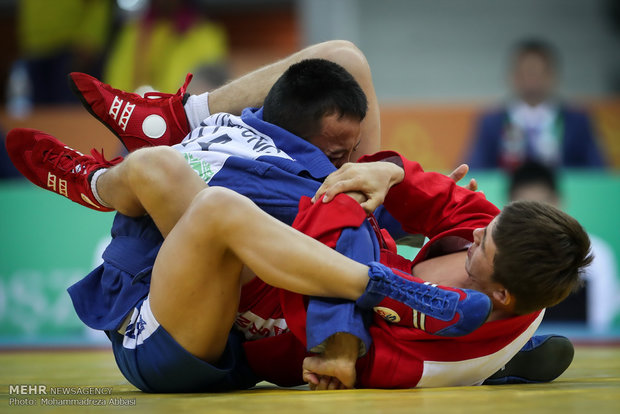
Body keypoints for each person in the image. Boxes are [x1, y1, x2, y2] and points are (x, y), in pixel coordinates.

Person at [7, 41, 590, 390]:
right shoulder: (497, 238)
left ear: (504, 297)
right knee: (343, 60)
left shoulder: (443, 350)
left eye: (477, 250)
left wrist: (340, 343)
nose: (470, 238)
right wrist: (388, 174)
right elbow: (434, 197)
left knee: (181, 184)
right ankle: (182, 114)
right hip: (318, 248)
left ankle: (95, 181)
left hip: (220, 324)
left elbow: (348, 355)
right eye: (481, 232)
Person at [509, 161, 620, 332]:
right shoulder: (499, 252)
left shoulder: (597, 254)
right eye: (526, 207)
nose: (537, 218)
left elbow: (600, 324)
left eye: (544, 205)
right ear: (509, 204)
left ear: (559, 201)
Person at [467, 38, 606, 170]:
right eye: (526, 73)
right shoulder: (492, 121)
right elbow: (476, 170)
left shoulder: (577, 120)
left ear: (552, 75)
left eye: (537, 73)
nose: (531, 80)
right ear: (512, 76)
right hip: (508, 194)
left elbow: (598, 172)